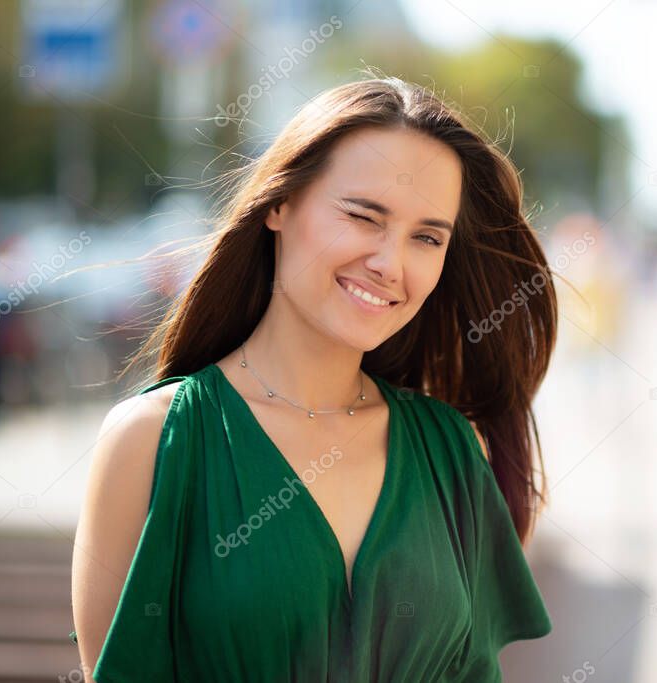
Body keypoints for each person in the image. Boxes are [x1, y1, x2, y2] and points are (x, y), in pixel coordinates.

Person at [68, 75, 558, 682]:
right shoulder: (155, 441)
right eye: (362, 216)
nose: (389, 264)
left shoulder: (451, 450)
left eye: (427, 237)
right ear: (280, 204)